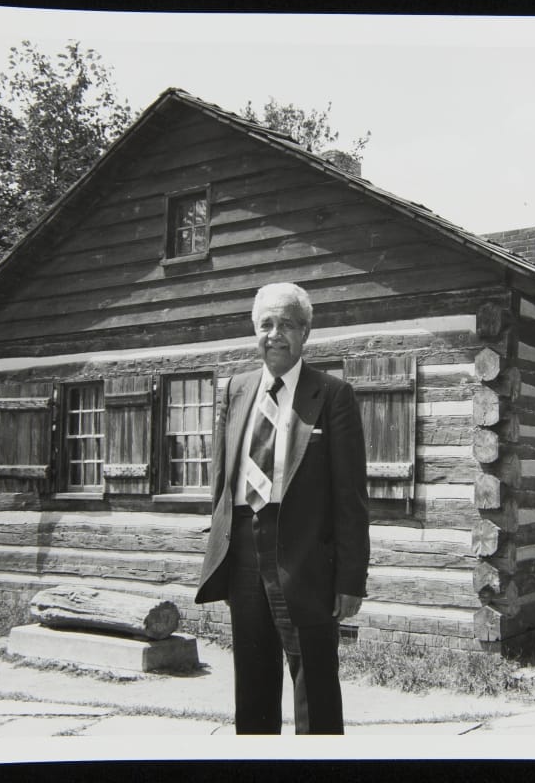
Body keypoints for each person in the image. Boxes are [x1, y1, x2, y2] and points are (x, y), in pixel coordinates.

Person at [195, 282, 370, 735]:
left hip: (306, 555)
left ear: (306, 333)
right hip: (243, 550)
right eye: (266, 324)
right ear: (254, 329)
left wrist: (351, 579)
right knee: (252, 683)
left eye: (287, 325)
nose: (275, 334)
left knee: (314, 683)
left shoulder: (332, 395)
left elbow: (350, 498)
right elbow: (222, 478)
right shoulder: (235, 389)